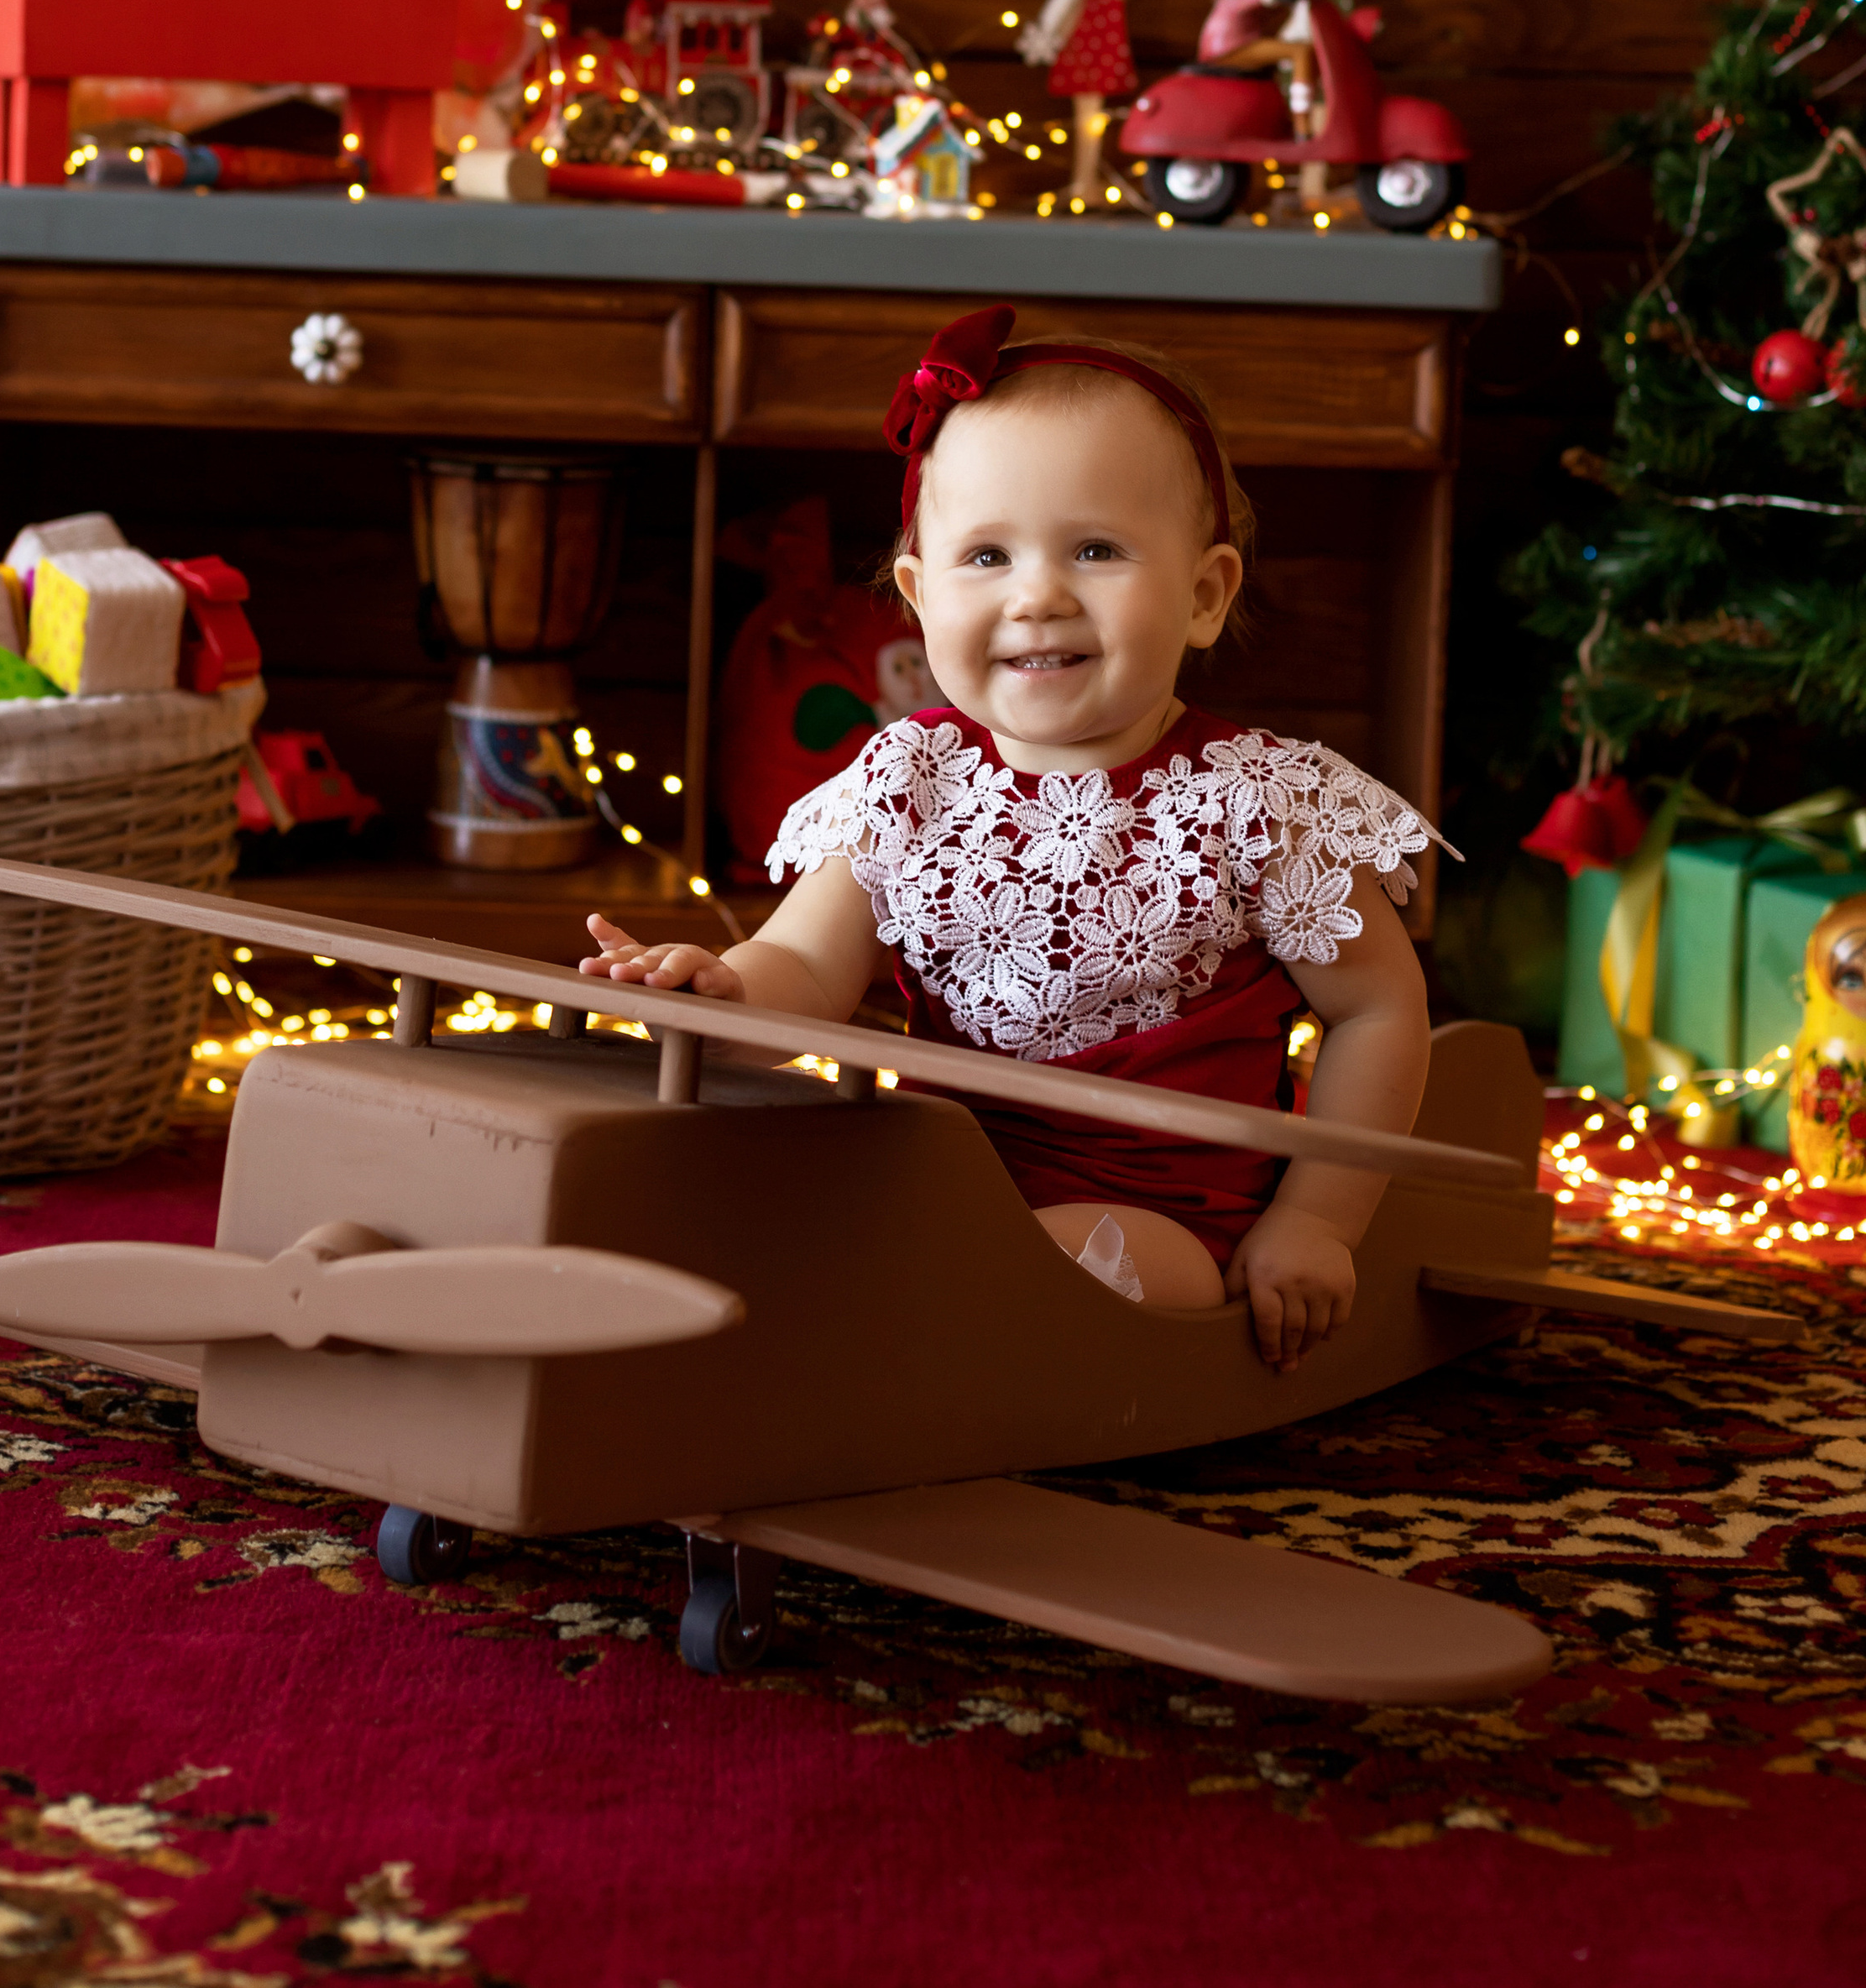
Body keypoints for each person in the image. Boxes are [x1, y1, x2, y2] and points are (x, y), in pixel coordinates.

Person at [592, 304, 1438, 1372]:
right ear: (917, 595)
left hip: (1165, 1209)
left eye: (1095, 549)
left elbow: (1376, 1008)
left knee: (1057, 1271)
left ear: (1204, 595)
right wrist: (724, 996)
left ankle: (917, 1393)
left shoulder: (1254, 802)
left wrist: (1319, 1221)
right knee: (750, 1216)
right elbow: (807, 963)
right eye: (986, 556)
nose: (1037, 595)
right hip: (936, 1182)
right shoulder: (911, 779)